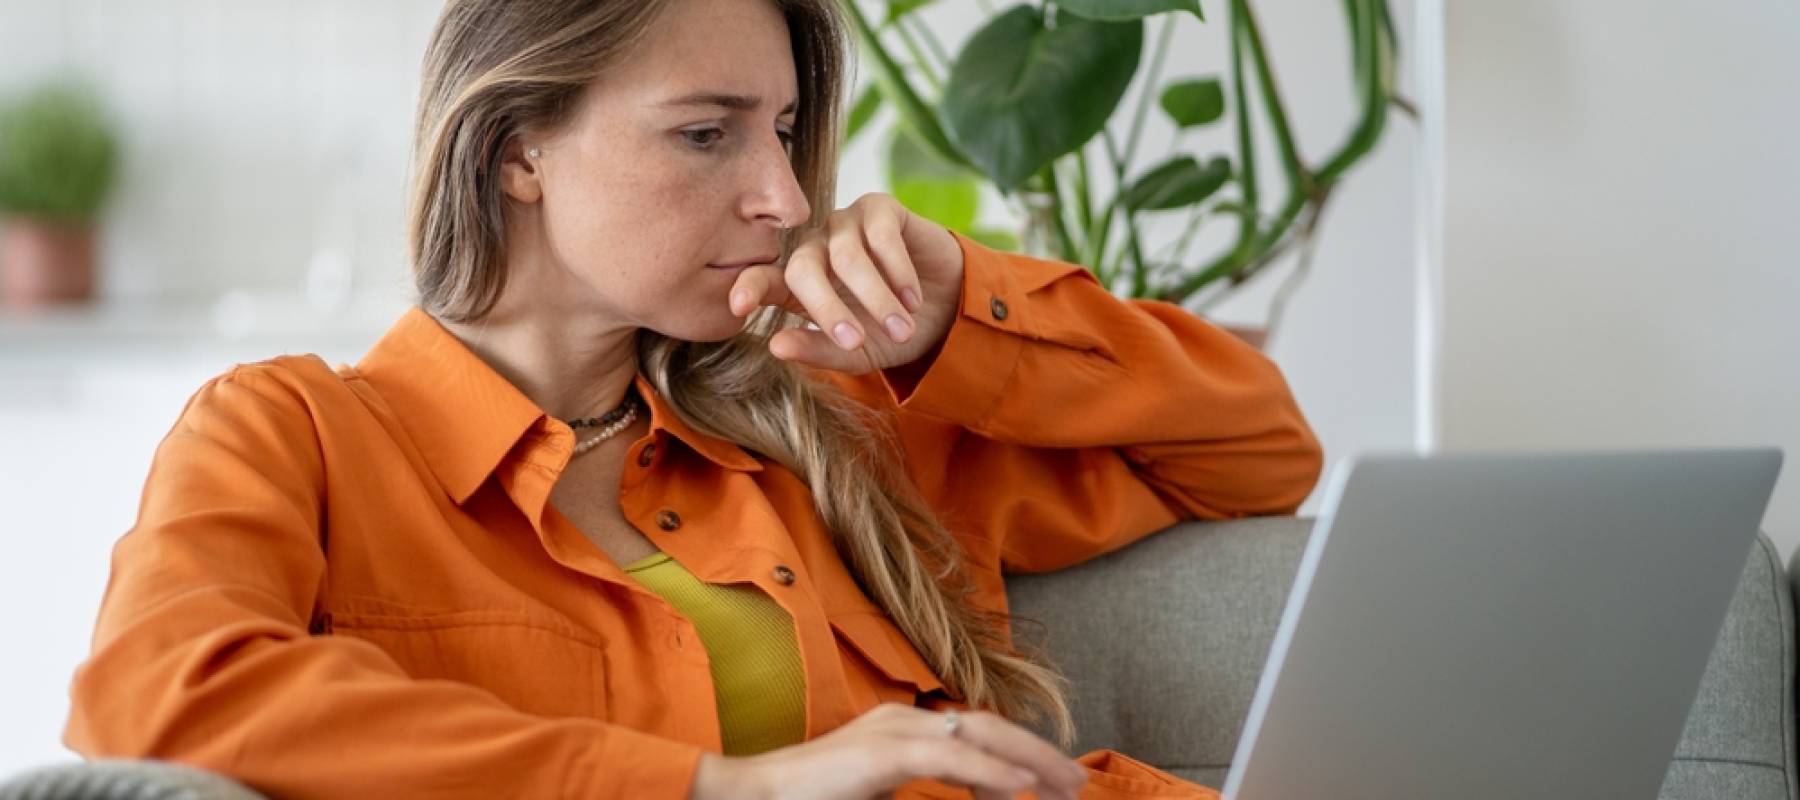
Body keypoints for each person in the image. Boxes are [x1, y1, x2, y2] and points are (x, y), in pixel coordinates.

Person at [62, 0, 1324, 797]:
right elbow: (164, 699)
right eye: (707, 133)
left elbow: (1258, 454)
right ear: (519, 150)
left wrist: (962, 308)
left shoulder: (829, 417)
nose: (783, 195)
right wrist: (723, 785)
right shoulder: (293, 433)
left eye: (782, 130)